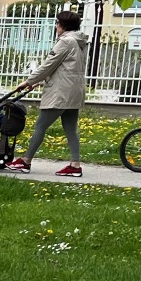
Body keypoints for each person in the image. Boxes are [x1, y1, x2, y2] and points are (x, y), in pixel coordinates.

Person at [10, 10, 86, 176]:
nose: (56, 26)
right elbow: (66, 70)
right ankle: (75, 165)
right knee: (71, 129)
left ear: (63, 25)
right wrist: (39, 82)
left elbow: (49, 65)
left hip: (61, 93)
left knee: (40, 126)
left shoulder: (65, 42)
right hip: (74, 92)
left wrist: (28, 81)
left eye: (58, 23)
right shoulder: (79, 42)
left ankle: (25, 161)